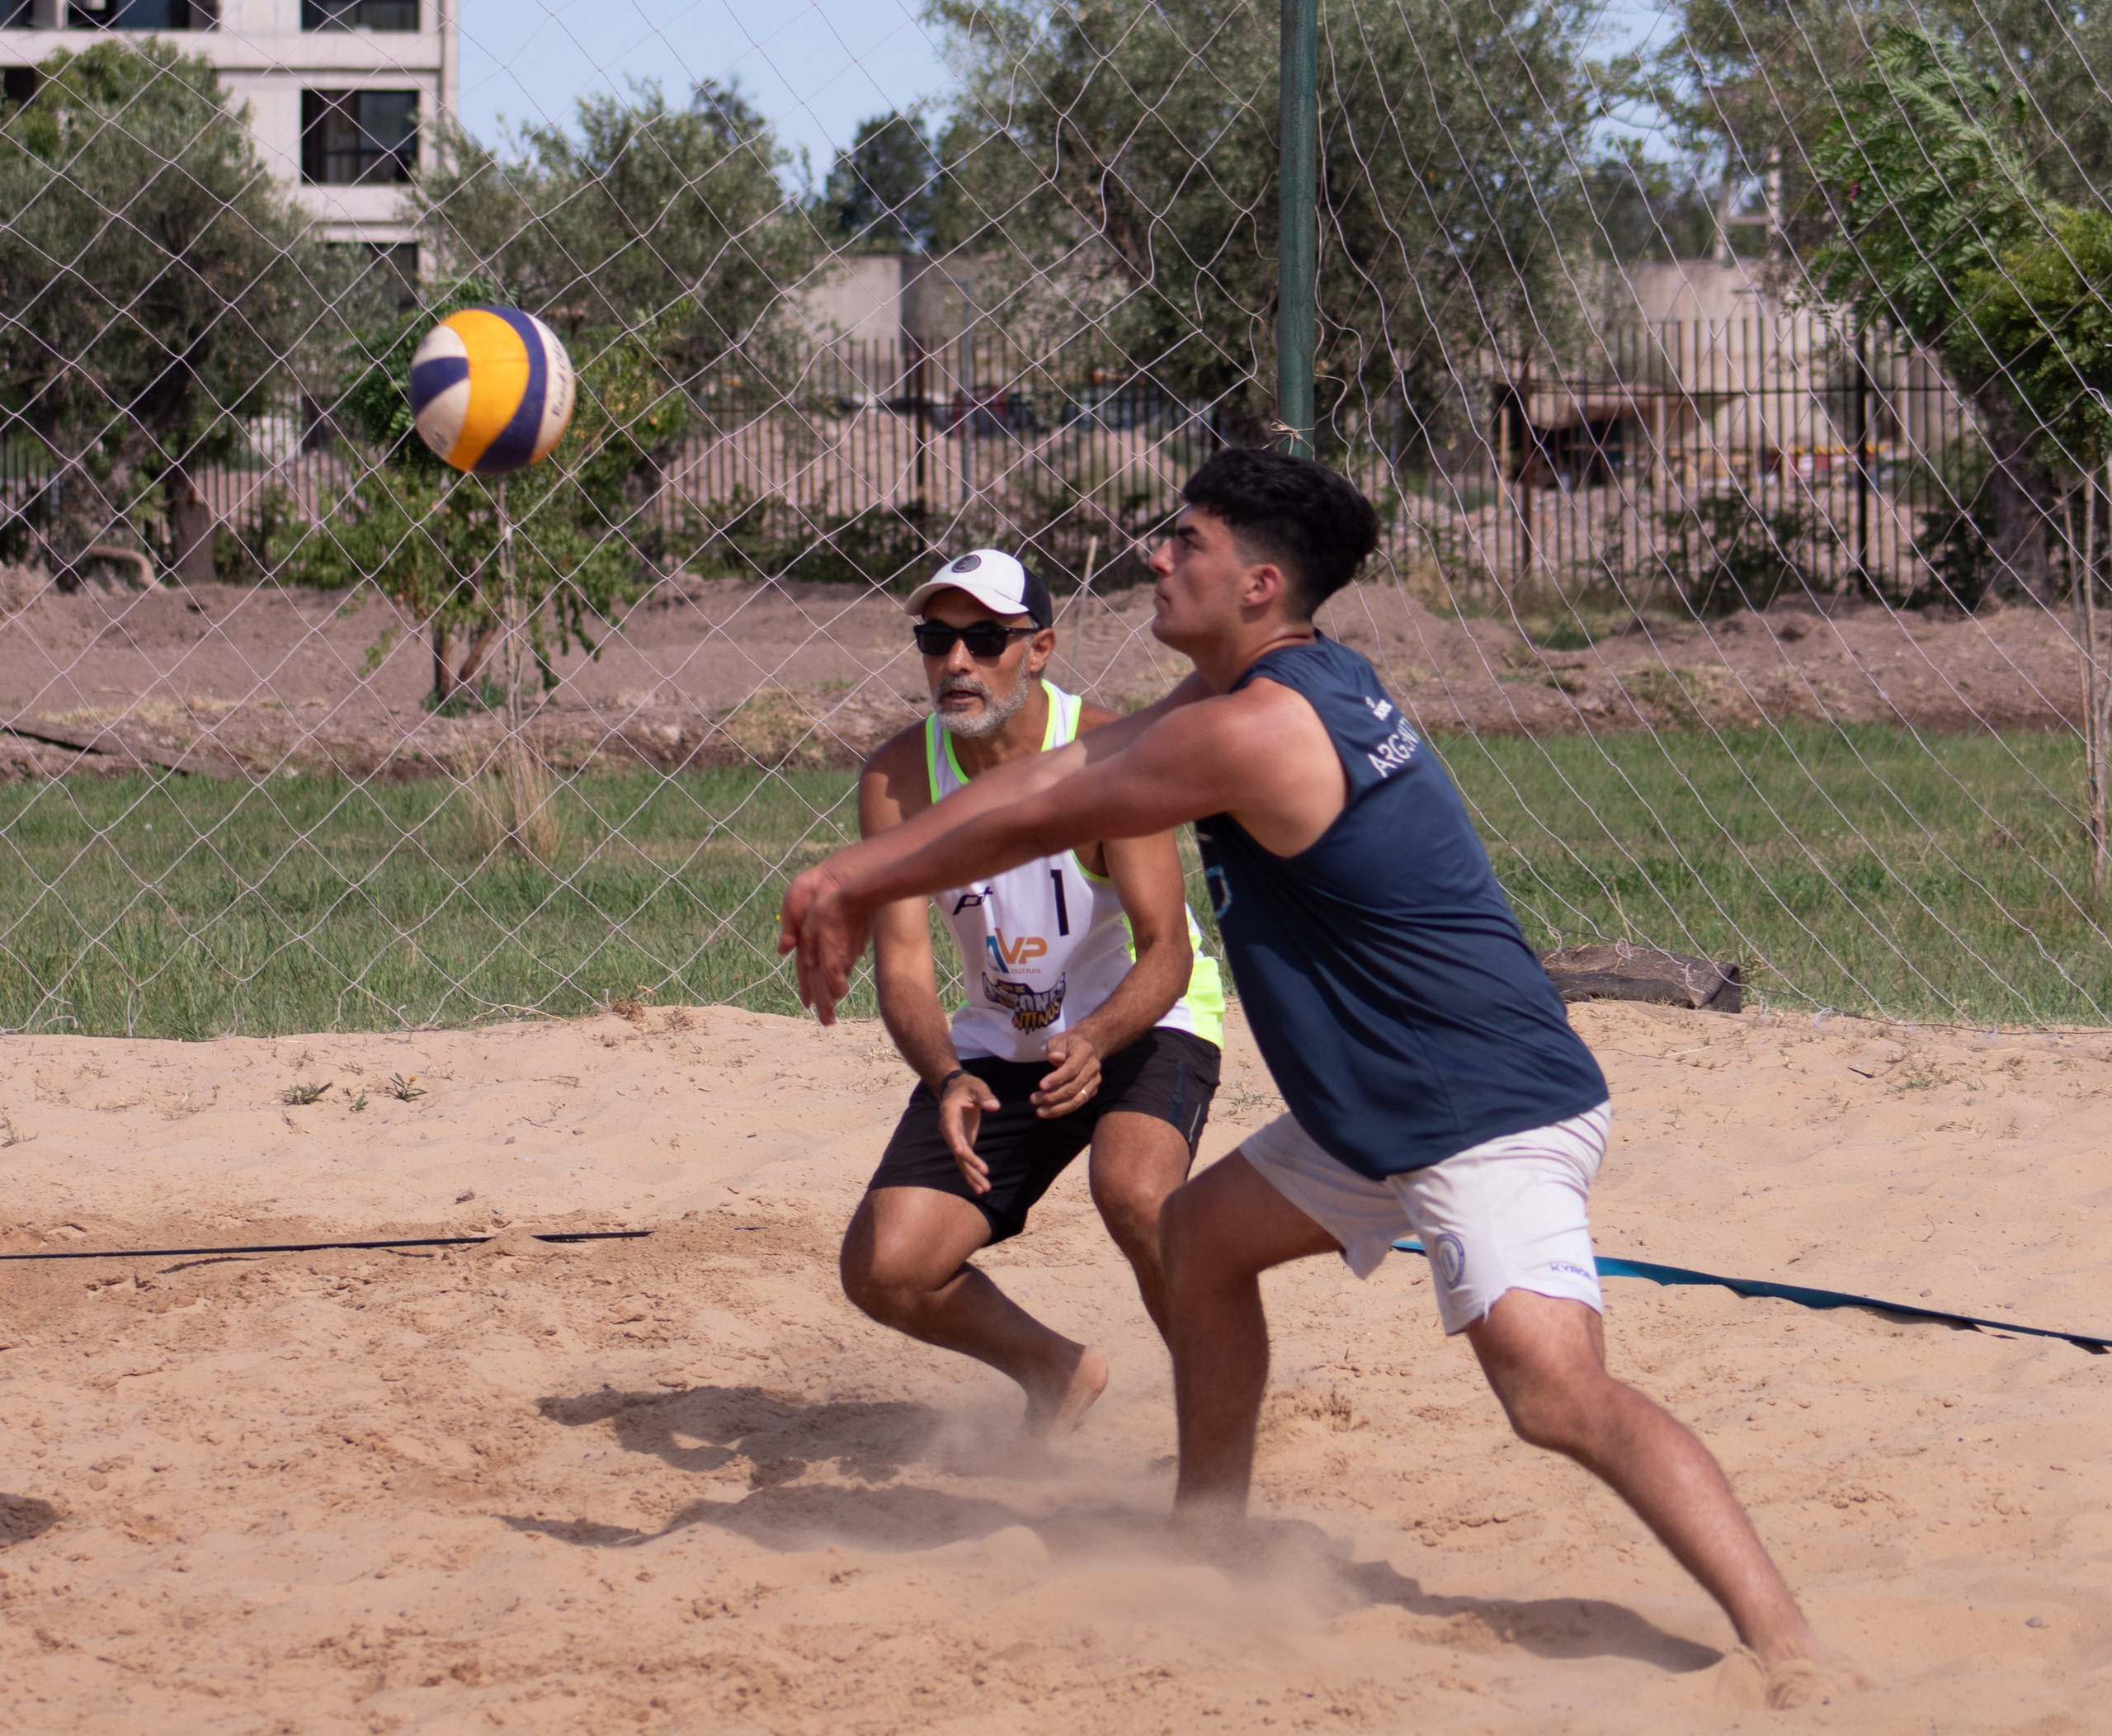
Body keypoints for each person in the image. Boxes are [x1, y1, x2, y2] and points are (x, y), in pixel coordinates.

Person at [786, 461, 1856, 1703]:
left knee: (1556, 1398)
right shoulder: (1277, 680)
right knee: (1196, 1240)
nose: (1156, 558)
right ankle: (1208, 1542)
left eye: (1183, 542)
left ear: (1259, 581)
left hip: (1474, 1107)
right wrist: (854, 873)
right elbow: (1060, 772)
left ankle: (1791, 1647)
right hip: (1371, 1109)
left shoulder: (1254, 727)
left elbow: (1055, 804)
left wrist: (856, 884)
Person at [836, 545, 1225, 1437]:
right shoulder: (897, 778)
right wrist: (945, 1076)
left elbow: (1167, 949)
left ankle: (1215, 1418)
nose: (957, 663)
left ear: (1039, 648)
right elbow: (901, 965)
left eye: (984, 638)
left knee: (1132, 1194)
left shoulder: (1108, 755)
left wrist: (1095, 1037)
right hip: (1004, 1045)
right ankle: (1058, 1372)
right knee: (886, 1268)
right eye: (937, 639)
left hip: (1142, 1016)